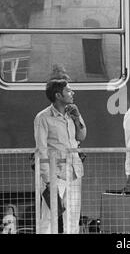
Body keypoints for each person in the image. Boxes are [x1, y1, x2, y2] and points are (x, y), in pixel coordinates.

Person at [34, 79, 86, 234]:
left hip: (74, 172)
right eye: (68, 90)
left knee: (73, 217)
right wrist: (48, 180)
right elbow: (41, 150)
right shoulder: (43, 118)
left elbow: (81, 136)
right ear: (58, 95)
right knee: (49, 218)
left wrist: (77, 118)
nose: (72, 93)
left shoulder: (72, 114)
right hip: (55, 174)